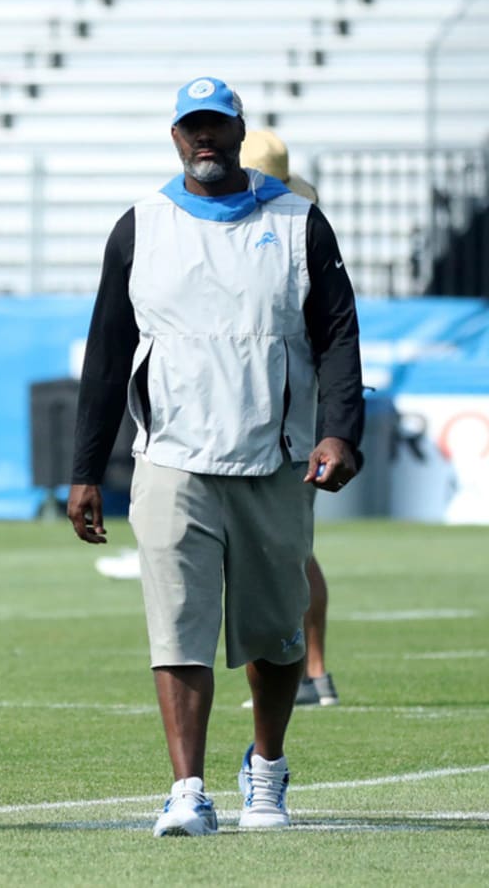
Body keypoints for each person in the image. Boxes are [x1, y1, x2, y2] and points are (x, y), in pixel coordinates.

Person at [67, 77, 363, 837]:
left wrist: (340, 431)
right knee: (178, 627)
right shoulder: (141, 226)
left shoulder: (300, 222)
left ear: (239, 131)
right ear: (174, 137)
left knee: (276, 631)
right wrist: (85, 470)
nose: (205, 139)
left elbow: (336, 335)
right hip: (170, 460)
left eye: (217, 126)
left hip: (275, 457)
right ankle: (188, 789)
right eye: (191, 127)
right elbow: (107, 356)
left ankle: (266, 772)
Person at [241, 130, 339, 707]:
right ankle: (313, 674)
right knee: (295, 548)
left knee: (287, 550)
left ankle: (301, 673)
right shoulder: (303, 223)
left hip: (278, 405)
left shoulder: (287, 233)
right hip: (288, 401)